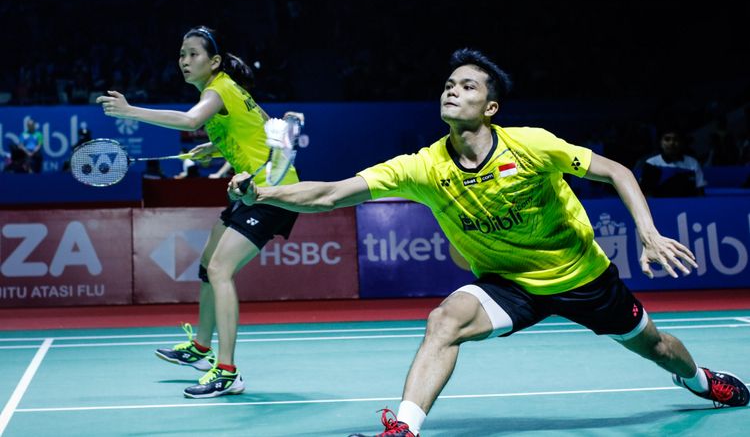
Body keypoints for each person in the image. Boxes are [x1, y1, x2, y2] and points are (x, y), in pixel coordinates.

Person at [229, 48, 749, 436]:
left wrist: (648, 230)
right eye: (448, 84)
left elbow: (613, 170)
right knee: (444, 321)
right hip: (509, 284)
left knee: (657, 348)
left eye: (468, 86)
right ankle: (403, 429)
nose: (452, 91)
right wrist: (264, 192)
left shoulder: (533, 145)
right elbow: (329, 194)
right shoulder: (422, 167)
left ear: (492, 106)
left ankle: (701, 380)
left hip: (582, 277)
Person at [96, 25, 300, 398]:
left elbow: (190, 120)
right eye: (182, 54)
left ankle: (226, 372)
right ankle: (201, 348)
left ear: (214, 61)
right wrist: (215, 147)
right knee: (209, 265)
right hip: (250, 191)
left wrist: (129, 111)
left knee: (221, 270)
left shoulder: (218, 88)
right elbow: (260, 132)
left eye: (193, 54)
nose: (185, 61)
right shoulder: (229, 91)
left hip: (272, 193)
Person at [639, 127, 707, 197]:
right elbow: (645, 192)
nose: (671, 143)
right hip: (660, 206)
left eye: (676, 139)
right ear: (661, 143)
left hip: (688, 205)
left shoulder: (693, 163)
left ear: (681, 143)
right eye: (667, 139)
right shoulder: (651, 163)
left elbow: (700, 191)